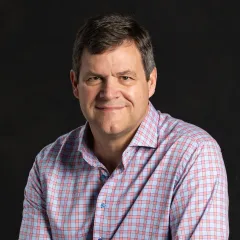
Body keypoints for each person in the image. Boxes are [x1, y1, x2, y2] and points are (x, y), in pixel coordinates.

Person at [19, 13, 229, 239]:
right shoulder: (47, 166)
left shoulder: (193, 155)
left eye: (125, 78)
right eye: (94, 78)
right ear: (75, 85)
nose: (109, 93)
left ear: (151, 82)